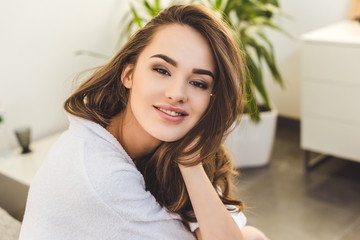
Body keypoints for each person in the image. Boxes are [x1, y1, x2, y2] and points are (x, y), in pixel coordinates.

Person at [20, 4, 269, 240]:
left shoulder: (168, 147)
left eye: (198, 83)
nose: (177, 93)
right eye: (162, 70)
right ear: (128, 74)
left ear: (211, 99)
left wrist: (190, 164)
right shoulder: (98, 172)